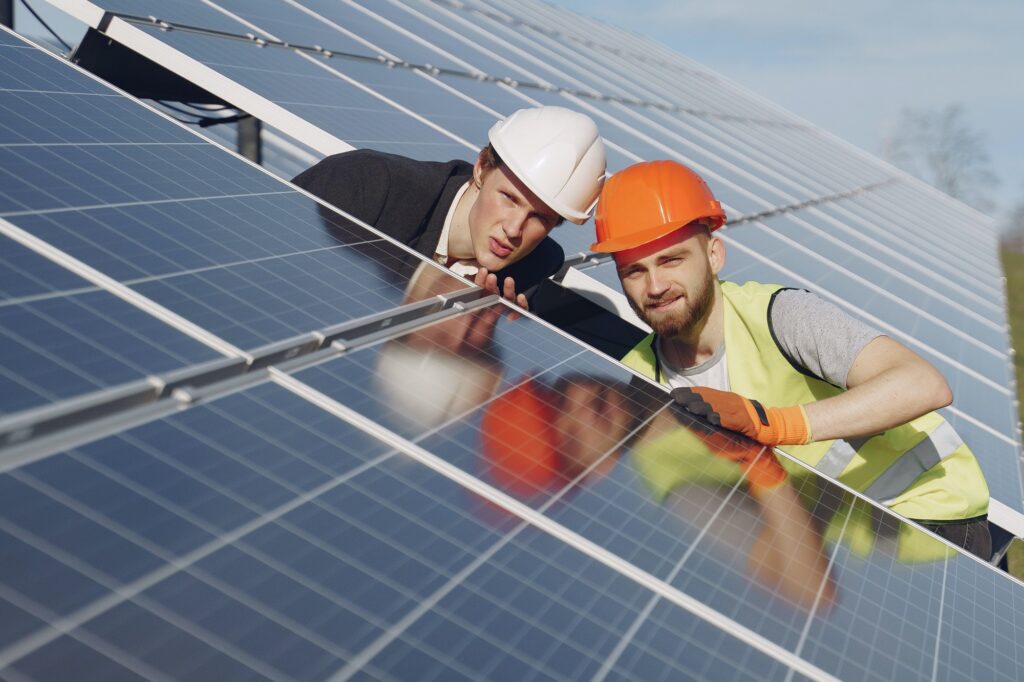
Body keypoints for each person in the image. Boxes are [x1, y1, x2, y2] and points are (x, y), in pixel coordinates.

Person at [591, 160, 992, 559]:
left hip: (929, 516)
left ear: (714, 255)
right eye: (634, 271)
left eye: (671, 260)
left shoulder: (777, 316)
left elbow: (924, 384)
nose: (655, 286)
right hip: (834, 551)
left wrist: (777, 425)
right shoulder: (639, 386)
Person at [292, 106, 606, 308]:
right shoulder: (364, 185)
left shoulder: (536, 265)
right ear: (481, 167)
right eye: (509, 198)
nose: (513, 230)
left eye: (539, 218)